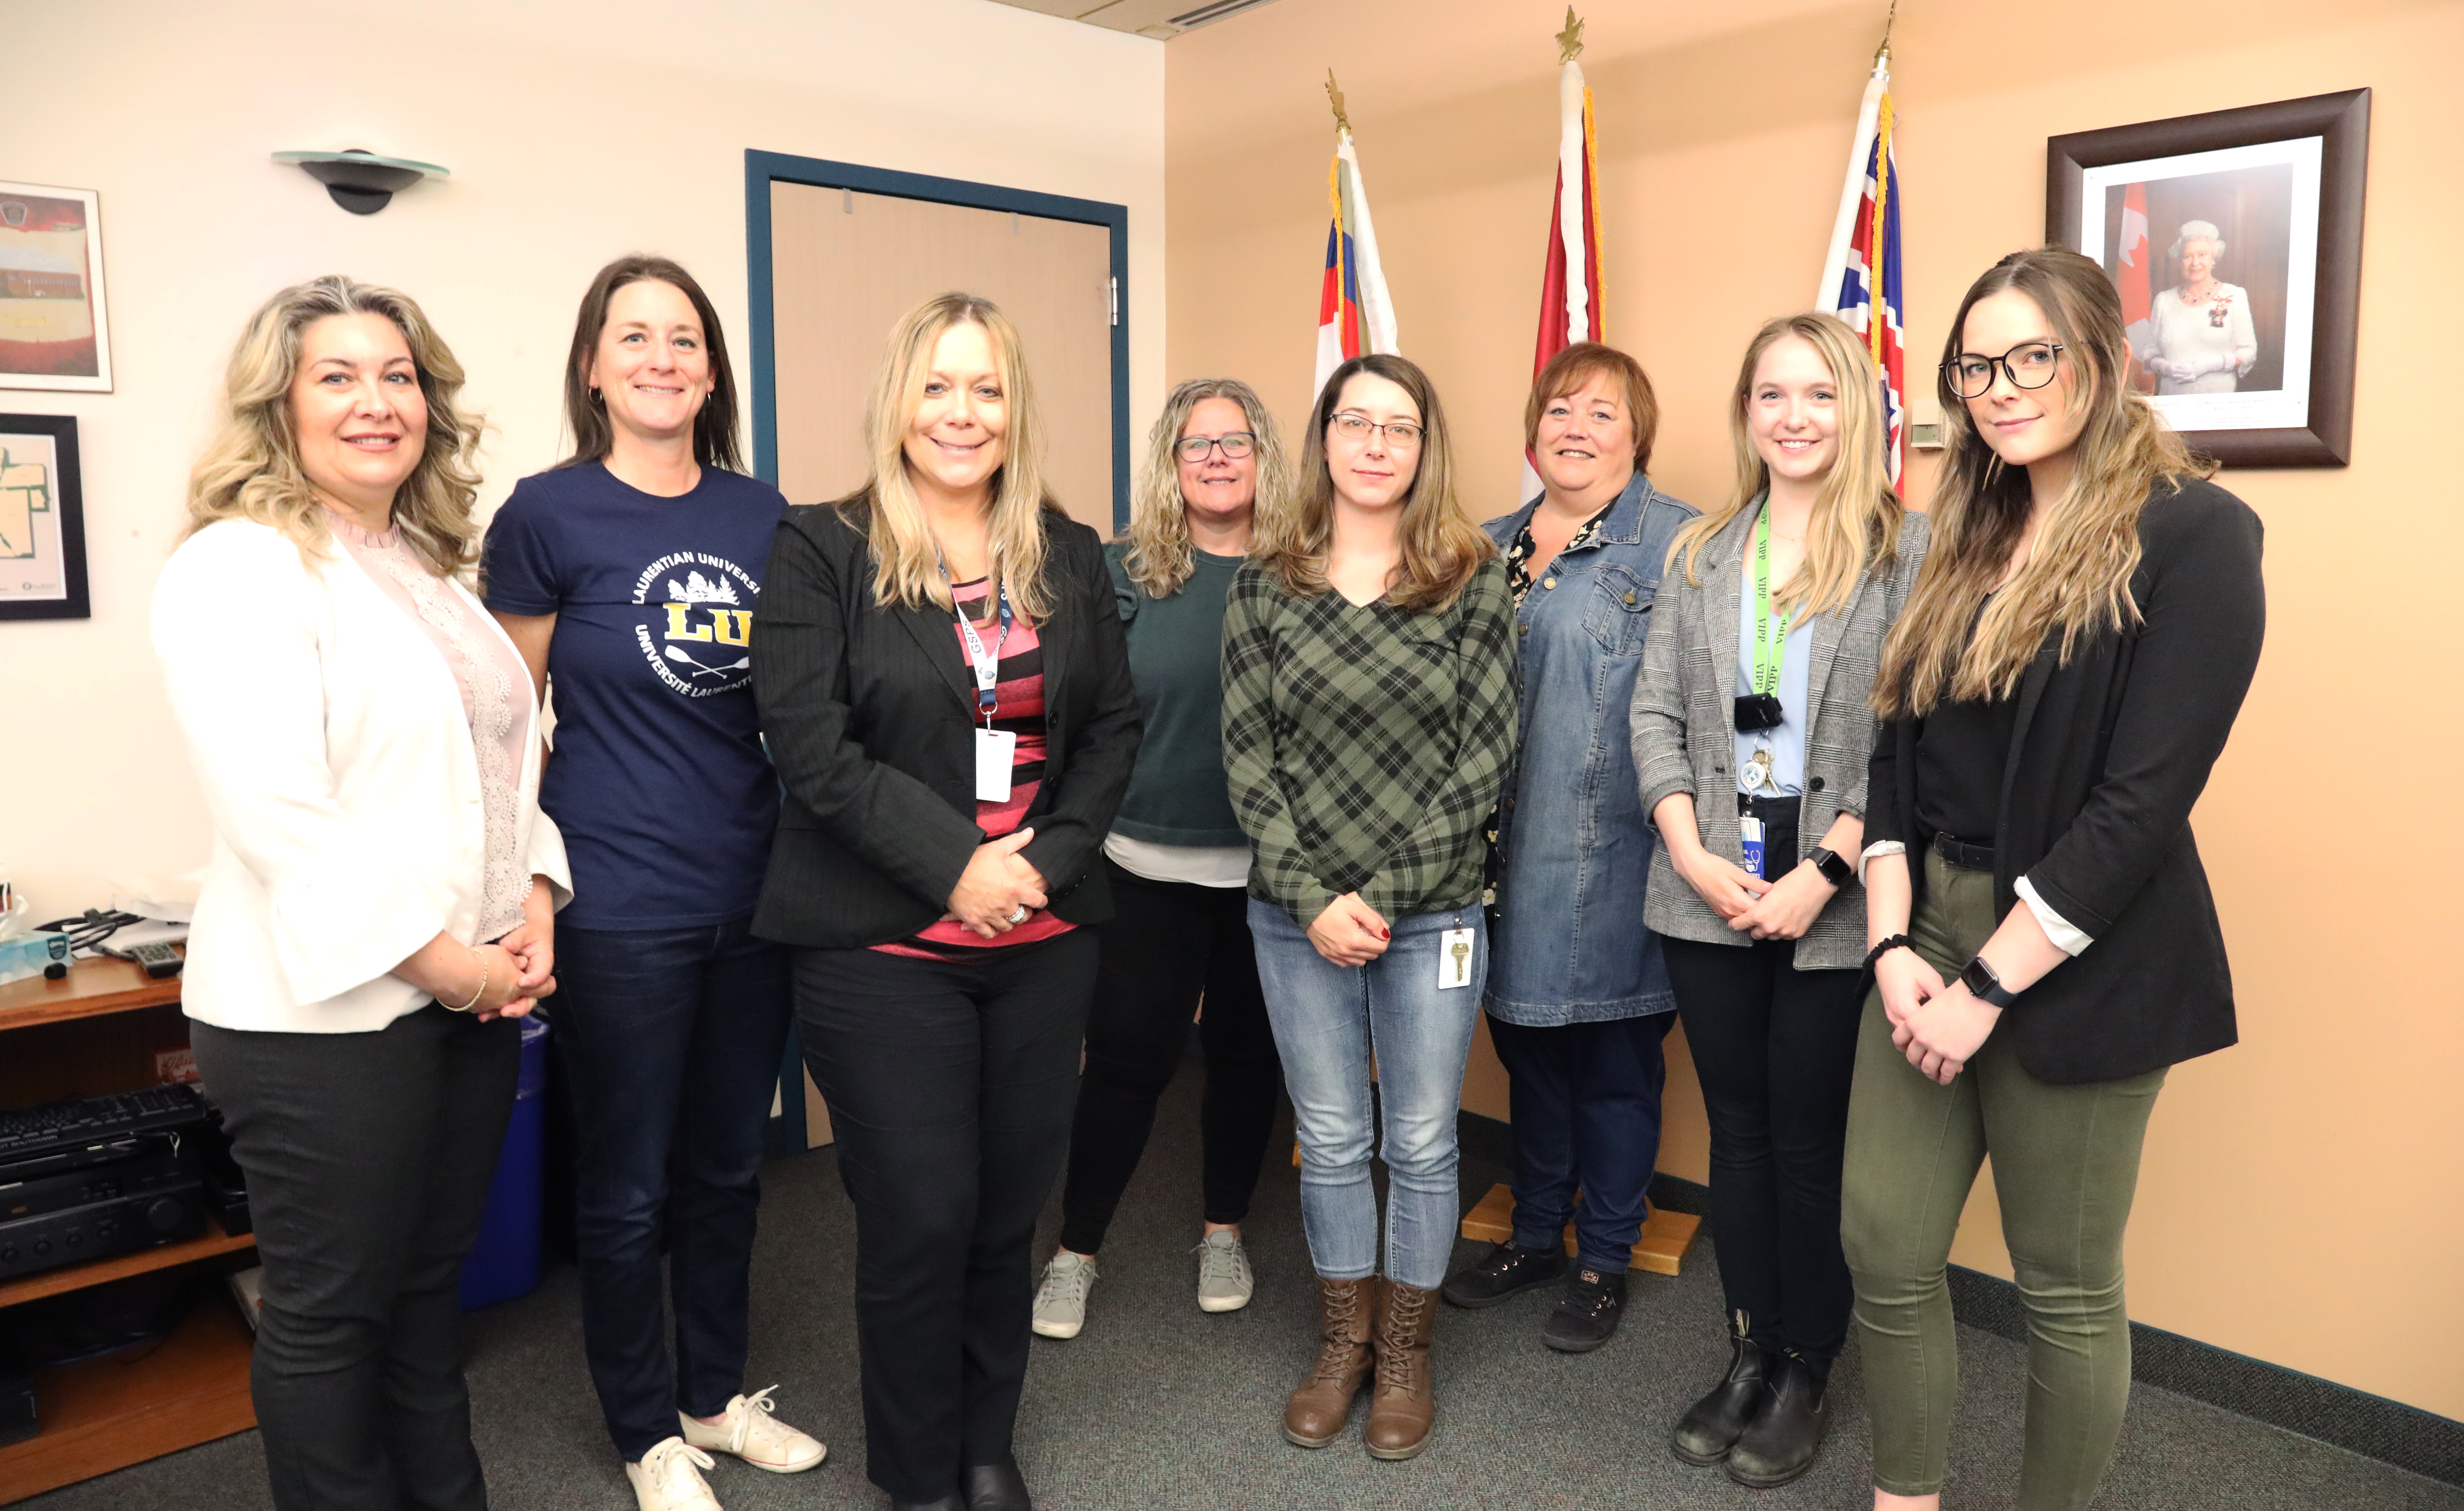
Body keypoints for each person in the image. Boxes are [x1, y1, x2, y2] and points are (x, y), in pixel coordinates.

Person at [1846, 247, 2263, 1511]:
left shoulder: (2195, 533)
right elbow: (1893, 756)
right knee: (1884, 1244)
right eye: (1978, 365)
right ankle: (1906, 1498)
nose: (2001, 387)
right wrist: (1890, 949)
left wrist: (1984, 986)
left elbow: (2141, 806)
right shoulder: (1963, 534)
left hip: (2078, 949)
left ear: (2104, 359)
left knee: (2064, 1284)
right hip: (1925, 928)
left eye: (2033, 357)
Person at [152, 275, 568, 1511]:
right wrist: (450, 960)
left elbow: (499, 760)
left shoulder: (422, 566)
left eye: (397, 377)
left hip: (460, 1003)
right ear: (278, 403)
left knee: (427, 1301)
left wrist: (535, 891)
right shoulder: (240, 565)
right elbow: (281, 815)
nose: (375, 403)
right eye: (338, 376)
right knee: (332, 1323)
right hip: (320, 1022)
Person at [748, 292, 1141, 1511]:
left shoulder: (1068, 554)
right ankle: (919, 1474)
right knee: (920, 1214)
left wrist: (1045, 861)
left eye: (986, 388)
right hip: (883, 945)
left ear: (1015, 409)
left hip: (1042, 934)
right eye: (937, 386)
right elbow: (810, 746)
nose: (961, 413)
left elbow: (1114, 727)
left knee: (1002, 1211)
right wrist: (957, 866)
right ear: (896, 404)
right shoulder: (823, 549)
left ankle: (986, 1443)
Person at [481, 256, 822, 1511]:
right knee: (626, 1188)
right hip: (617, 899)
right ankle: (645, 1433)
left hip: (753, 890)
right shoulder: (546, 515)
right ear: (594, 365)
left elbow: (792, 705)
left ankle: (713, 1401)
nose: (663, 358)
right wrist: (525, 888)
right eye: (636, 338)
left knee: (729, 1169)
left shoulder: (760, 513)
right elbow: (506, 726)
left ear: (713, 369)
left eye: (685, 339)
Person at [1629, 313, 1925, 1488]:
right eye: (1770, 395)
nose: (1792, 416)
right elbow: (1653, 716)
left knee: (1811, 1142)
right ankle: (1748, 1344)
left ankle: (1808, 1360)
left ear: (1854, 409)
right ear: (1745, 413)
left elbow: (1908, 744)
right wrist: (1690, 851)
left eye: (1817, 393)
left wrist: (1824, 872)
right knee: (1737, 1134)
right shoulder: (1704, 551)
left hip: (1836, 886)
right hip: (1706, 871)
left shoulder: (1908, 555)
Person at [1223, 352, 1517, 1462]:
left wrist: (1376, 899)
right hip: (1292, 912)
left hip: (1431, 914)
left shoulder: (1468, 575)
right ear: (1325, 437)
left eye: (1399, 426)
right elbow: (1247, 761)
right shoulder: (1266, 581)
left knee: (1424, 1140)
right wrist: (1313, 898)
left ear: (1423, 446)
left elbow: (1486, 754)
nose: (1376, 442)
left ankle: (1405, 1347)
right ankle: (1341, 1340)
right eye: (1356, 421)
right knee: (1335, 1138)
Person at [1438, 343, 1696, 1353]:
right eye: (1559, 409)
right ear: (1532, 427)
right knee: (1527, 1055)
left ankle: (1604, 1261)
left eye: (1601, 413)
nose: (1575, 429)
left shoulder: (1677, 546)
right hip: (1491, 861)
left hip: (1612, 857)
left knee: (1614, 1066)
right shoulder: (1480, 546)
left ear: (1638, 434)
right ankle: (1538, 1232)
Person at [1030, 379, 1292, 1339]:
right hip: (1141, 867)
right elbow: (1074, 713)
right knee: (1127, 1066)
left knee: (1243, 1059)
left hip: (1269, 877)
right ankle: (1076, 1250)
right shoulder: (1120, 572)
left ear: (1265, 456)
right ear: (1169, 466)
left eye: (1235, 441)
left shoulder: (1300, 572)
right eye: (1196, 445)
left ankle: (1225, 1229)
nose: (1217, 459)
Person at [2135, 219, 2258, 395]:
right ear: (2180, 261)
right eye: (2188, 256)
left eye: (2202, 255)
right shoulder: (2164, 300)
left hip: (2218, 404)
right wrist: (2166, 367)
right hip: (2171, 402)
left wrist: (2211, 365)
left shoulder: (2234, 296)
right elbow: (2148, 353)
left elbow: (2249, 353)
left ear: (2214, 259)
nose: (2195, 263)